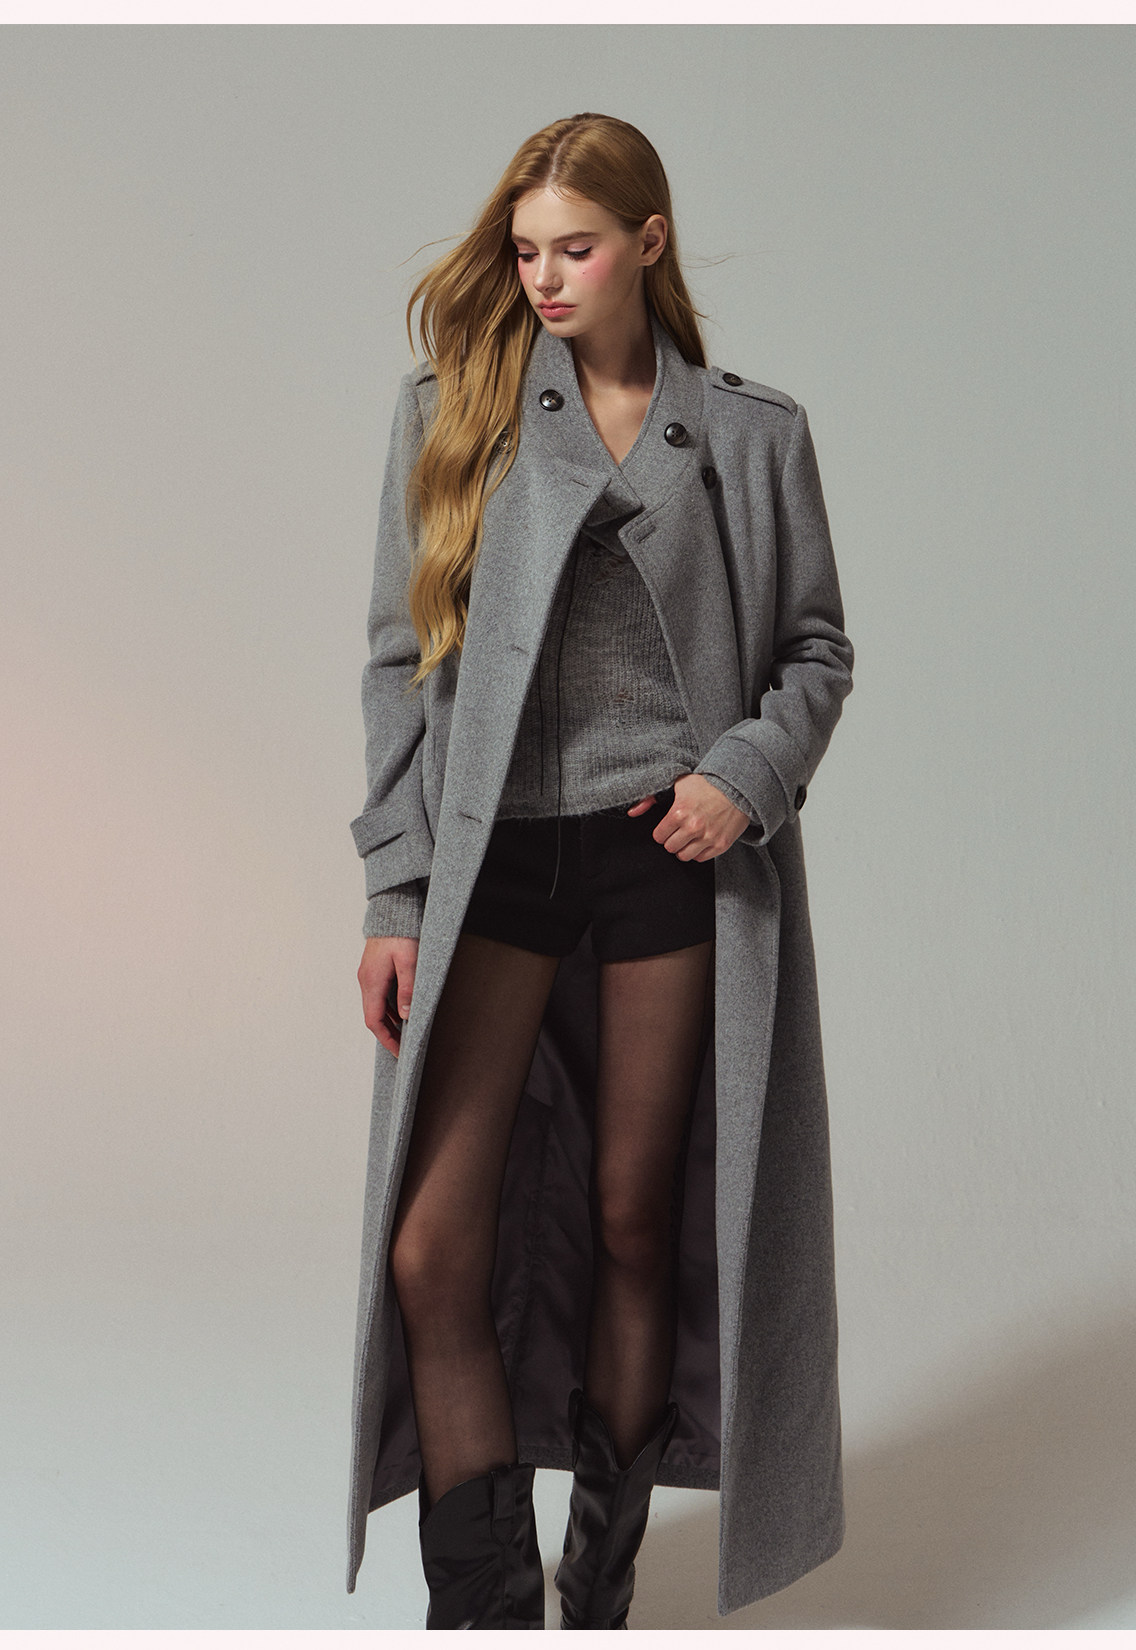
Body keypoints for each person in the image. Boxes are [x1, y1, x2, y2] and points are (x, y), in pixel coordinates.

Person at [349, 112, 854, 1629]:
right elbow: (396, 660)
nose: (546, 278)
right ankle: (485, 1608)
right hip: (495, 860)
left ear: (648, 241)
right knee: (433, 1244)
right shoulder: (457, 411)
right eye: (526, 251)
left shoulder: (750, 436)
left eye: (576, 247)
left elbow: (817, 651)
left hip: (660, 865)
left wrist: (742, 777)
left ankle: (600, 1586)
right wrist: (394, 891)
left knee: (640, 1222)